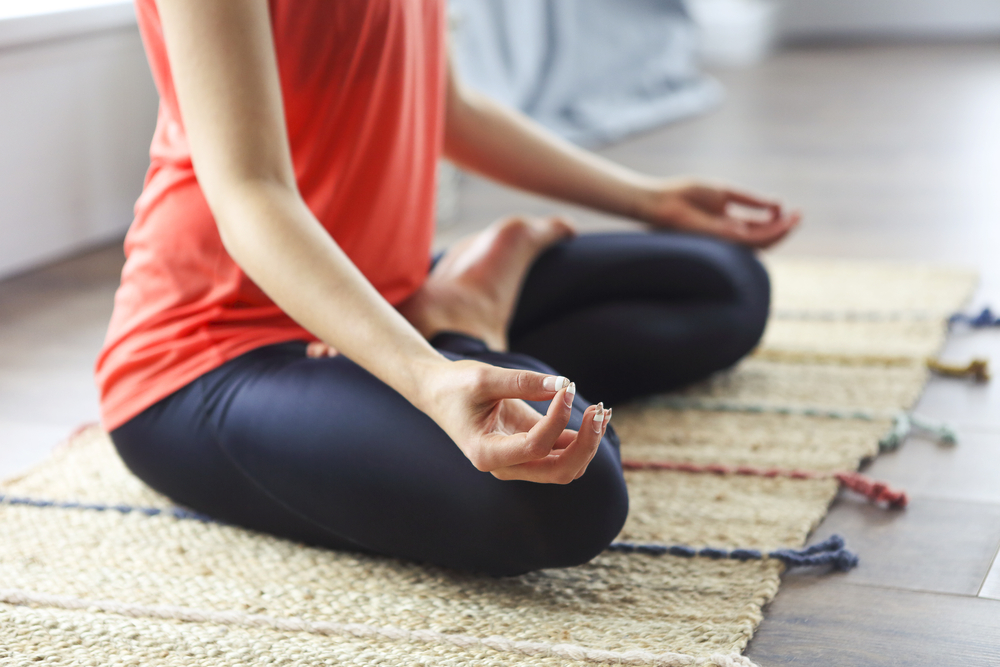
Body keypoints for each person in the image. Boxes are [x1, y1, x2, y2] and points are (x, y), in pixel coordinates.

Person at [96, 0, 799, 578]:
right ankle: (462, 320)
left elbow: (451, 110)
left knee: (723, 285)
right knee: (568, 493)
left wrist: (648, 200)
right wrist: (436, 372)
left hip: (385, 294)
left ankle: (446, 318)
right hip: (216, 353)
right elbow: (251, 191)